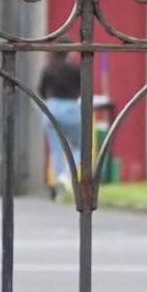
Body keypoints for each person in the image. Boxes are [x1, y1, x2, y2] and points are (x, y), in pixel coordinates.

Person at [36, 52, 87, 199]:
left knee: (56, 149)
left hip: (51, 107)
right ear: (69, 53)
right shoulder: (75, 69)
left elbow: (41, 90)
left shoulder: (48, 68)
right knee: (81, 146)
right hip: (70, 107)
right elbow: (84, 88)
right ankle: (66, 176)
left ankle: (59, 181)